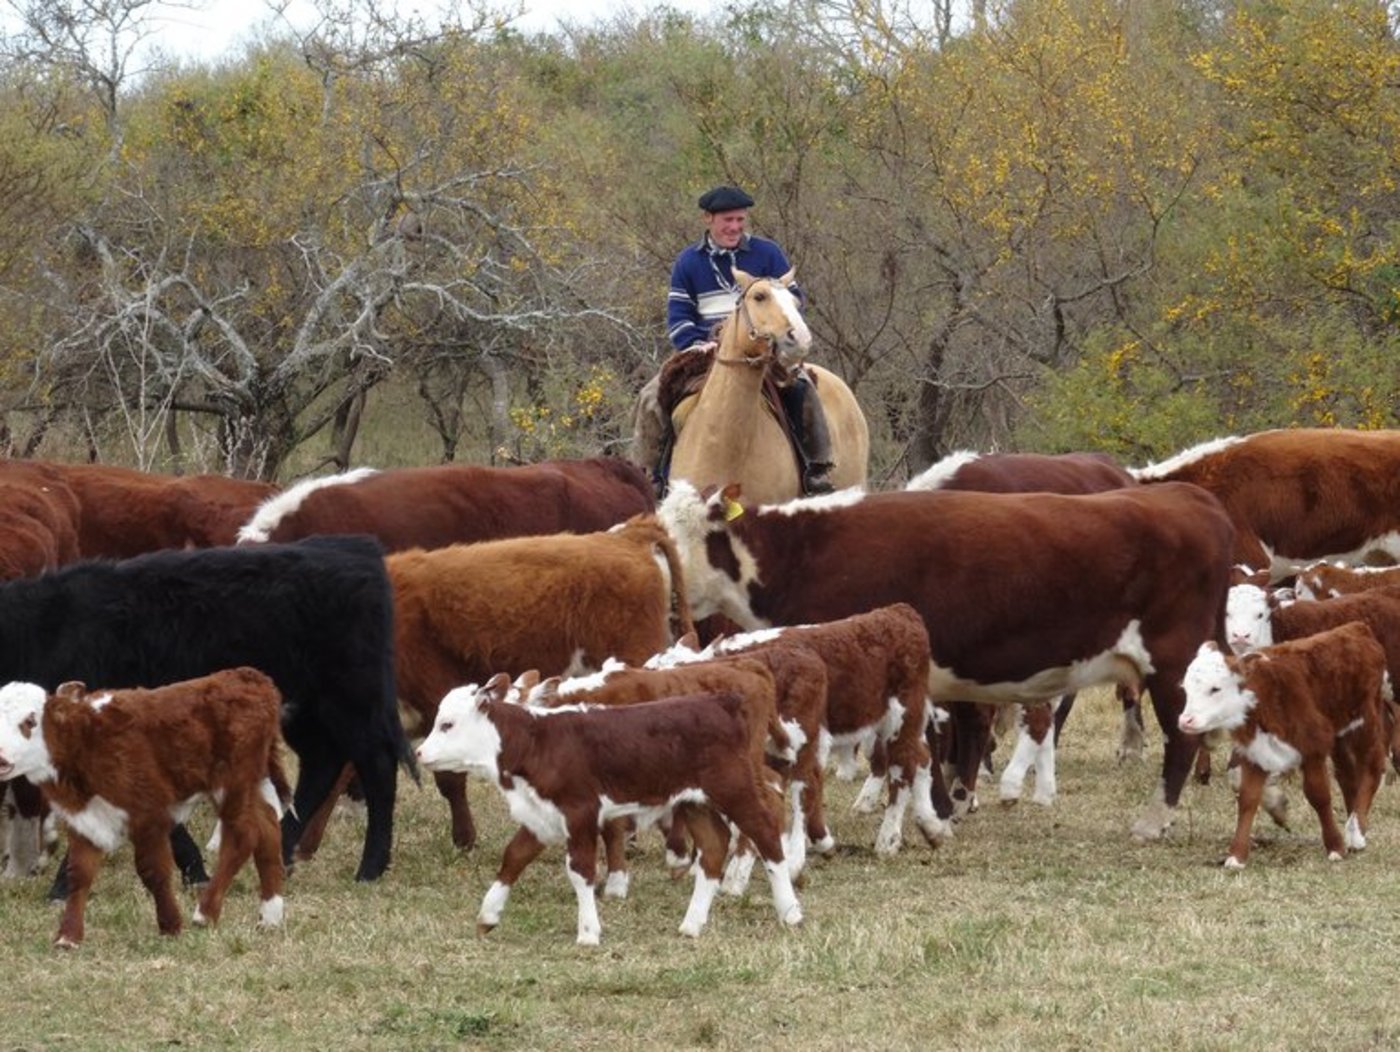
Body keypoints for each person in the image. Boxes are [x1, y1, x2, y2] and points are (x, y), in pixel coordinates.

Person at [633, 184, 834, 495]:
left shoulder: (767, 253)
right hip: (705, 351)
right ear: (708, 220)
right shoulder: (688, 262)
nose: (735, 227)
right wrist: (700, 342)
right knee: (651, 395)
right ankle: (653, 477)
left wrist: (776, 335)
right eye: (727, 220)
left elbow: (791, 299)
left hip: (762, 350)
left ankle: (815, 469)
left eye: (740, 220)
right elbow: (678, 317)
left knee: (802, 387)